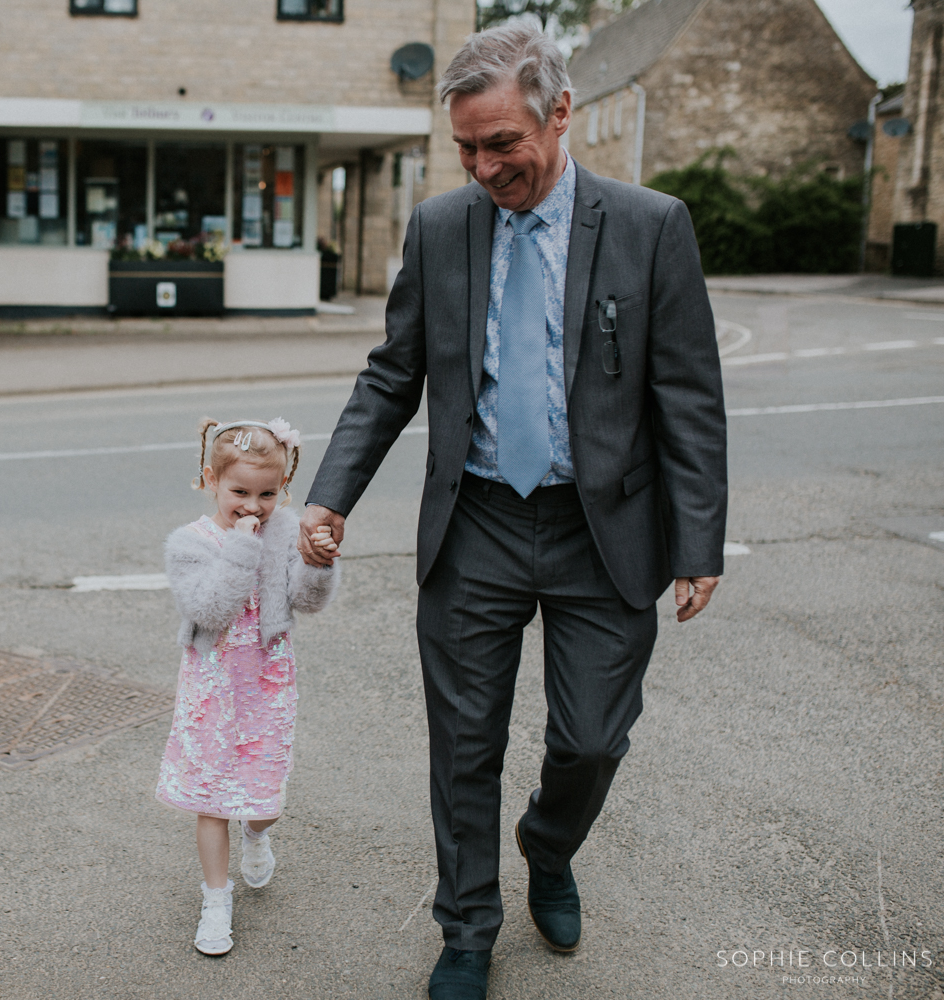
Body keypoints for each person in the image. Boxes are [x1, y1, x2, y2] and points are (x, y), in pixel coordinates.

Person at [298, 22, 727, 1000]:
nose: (486, 166)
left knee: (590, 739)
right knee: (464, 745)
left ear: (560, 113)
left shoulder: (651, 225)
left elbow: (689, 394)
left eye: (504, 144)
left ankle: (548, 839)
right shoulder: (439, 228)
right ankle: (467, 927)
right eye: (468, 149)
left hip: (604, 529)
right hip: (477, 521)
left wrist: (698, 537)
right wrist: (331, 496)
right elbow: (392, 375)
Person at [157, 416, 340, 956]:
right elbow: (211, 608)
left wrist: (318, 562)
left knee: (265, 799)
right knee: (212, 799)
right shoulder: (189, 544)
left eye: (267, 494)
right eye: (239, 492)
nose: (253, 507)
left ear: (283, 488)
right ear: (210, 479)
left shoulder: (285, 530)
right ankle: (216, 899)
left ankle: (258, 835)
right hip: (212, 686)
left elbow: (306, 600)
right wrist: (241, 546)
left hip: (266, 682)